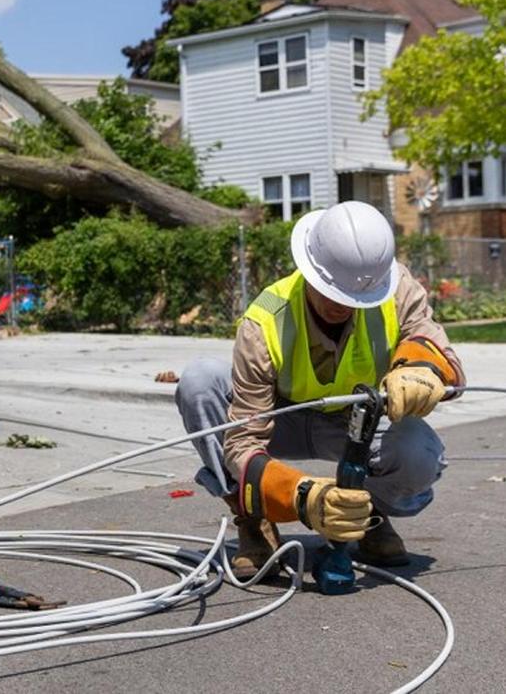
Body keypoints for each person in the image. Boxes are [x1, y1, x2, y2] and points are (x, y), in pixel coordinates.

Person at [175, 201, 463, 579]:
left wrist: (422, 367)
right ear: (308, 269)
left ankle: (363, 513)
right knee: (200, 382)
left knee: (419, 452)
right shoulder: (265, 321)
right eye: (332, 292)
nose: (341, 306)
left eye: (353, 299)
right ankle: (253, 517)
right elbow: (243, 441)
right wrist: (300, 495)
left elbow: (440, 353)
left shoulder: (394, 288)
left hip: (353, 424)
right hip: (281, 420)